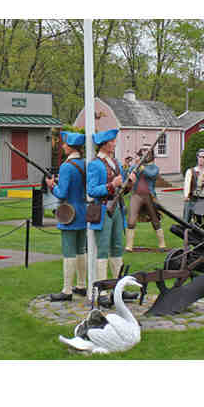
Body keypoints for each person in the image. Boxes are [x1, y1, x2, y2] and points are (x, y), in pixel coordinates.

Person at [45, 132, 87, 301]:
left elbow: (62, 193)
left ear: (70, 147)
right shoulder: (85, 163)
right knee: (81, 250)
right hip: (83, 211)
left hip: (69, 212)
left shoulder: (66, 167)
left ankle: (67, 290)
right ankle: (82, 285)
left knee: (69, 252)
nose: (63, 146)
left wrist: (51, 186)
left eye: (65, 144)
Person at [87, 129, 125, 305]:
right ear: (104, 144)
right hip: (103, 209)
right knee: (103, 249)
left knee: (117, 246)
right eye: (112, 141)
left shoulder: (115, 162)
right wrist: (111, 185)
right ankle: (101, 291)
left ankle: (118, 289)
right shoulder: (95, 164)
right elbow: (92, 190)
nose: (114, 144)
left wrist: (128, 182)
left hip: (116, 208)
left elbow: (122, 188)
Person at [125, 144, 165, 251]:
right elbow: (128, 175)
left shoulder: (154, 168)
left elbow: (151, 174)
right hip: (136, 195)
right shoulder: (137, 166)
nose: (145, 152)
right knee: (131, 219)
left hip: (149, 196)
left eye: (147, 150)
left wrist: (141, 167)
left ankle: (162, 244)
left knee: (155, 219)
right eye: (143, 150)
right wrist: (129, 168)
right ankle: (129, 245)